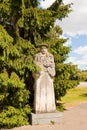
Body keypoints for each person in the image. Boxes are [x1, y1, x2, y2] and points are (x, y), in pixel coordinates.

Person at [33, 44, 56, 113]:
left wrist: (49, 66)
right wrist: (40, 67)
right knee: (40, 91)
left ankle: (50, 108)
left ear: (47, 49)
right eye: (42, 48)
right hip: (40, 75)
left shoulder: (50, 56)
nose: (43, 49)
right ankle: (40, 109)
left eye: (45, 48)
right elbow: (34, 66)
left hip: (48, 74)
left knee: (49, 91)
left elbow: (53, 65)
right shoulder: (36, 56)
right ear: (40, 49)